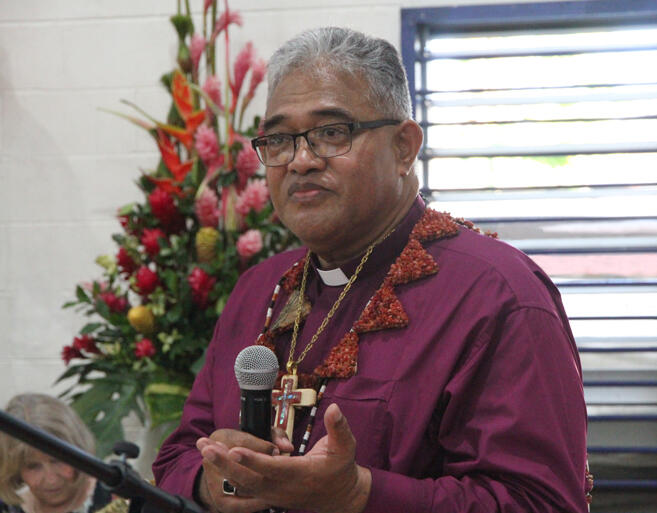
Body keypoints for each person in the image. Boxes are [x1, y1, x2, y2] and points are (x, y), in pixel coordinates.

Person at [153, 26, 588, 513]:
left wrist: (358, 495)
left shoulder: (496, 294)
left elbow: (541, 503)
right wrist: (212, 483)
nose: (300, 160)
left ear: (404, 147)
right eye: (279, 139)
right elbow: (176, 456)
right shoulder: (260, 288)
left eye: (331, 133)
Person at [0, 394, 114, 513]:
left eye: (57, 460)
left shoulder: (116, 497)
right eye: (33, 466)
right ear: (15, 470)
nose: (51, 479)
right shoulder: (9, 509)